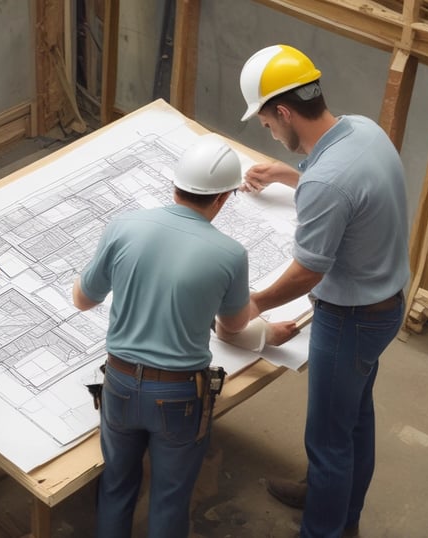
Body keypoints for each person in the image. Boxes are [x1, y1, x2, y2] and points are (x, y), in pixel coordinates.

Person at [73, 134, 298, 538]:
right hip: (179, 396)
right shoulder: (229, 254)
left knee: (116, 488)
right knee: (169, 498)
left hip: (120, 385)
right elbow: (231, 326)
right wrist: (265, 332)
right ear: (223, 199)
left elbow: (82, 299)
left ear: (174, 185)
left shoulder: (124, 226)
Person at [238, 44, 410, 537]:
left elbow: (307, 271)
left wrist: (254, 303)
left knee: (330, 440)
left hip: (351, 317)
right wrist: (292, 176)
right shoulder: (362, 130)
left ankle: (325, 528)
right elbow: (351, 191)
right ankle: (339, 510)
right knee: (354, 417)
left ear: (285, 111)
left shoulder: (327, 182)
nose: (268, 131)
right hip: (385, 304)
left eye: (267, 122)